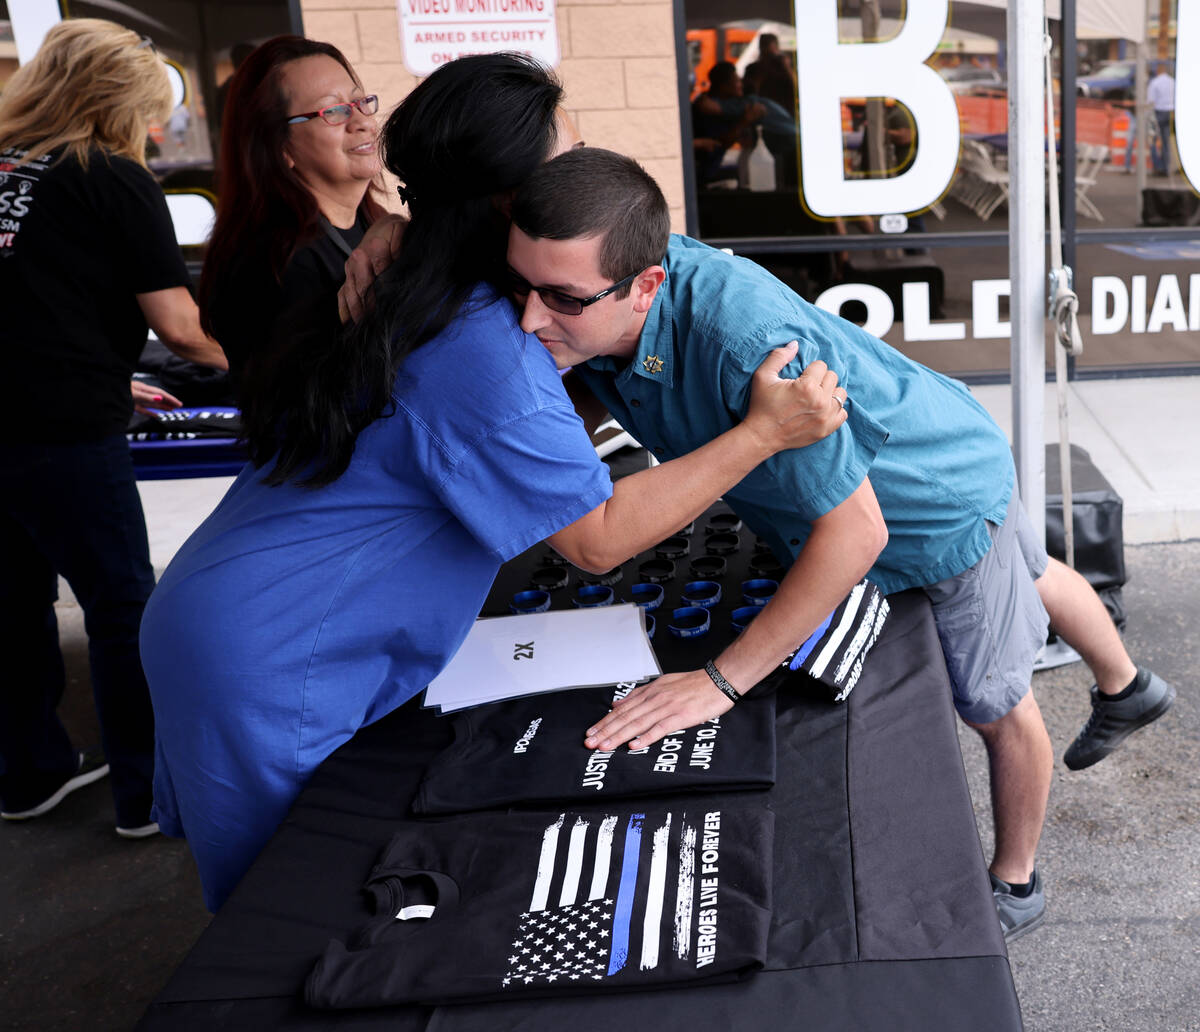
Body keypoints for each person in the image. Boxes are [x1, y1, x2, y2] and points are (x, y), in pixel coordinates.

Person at [139, 54, 848, 912]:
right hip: (265, 650)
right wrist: (762, 433)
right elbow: (598, 539)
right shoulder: (477, 338)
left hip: (242, 605)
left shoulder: (422, 275)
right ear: (509, 198)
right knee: (278, 917)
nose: (586, 173)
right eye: (568, 159)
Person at [504, 147, 1175, 941]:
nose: (528, 318)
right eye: (519, 285)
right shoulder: (601, 284)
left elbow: (856, 532)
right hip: (949, 451)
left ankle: (1018, 880)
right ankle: (1128, 685)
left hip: (933, 501)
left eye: (561, 299)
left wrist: (721, 682)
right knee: (1025, 569)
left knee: (994, 699)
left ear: (646, 283)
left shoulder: (745, 344)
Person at [0, 20, 227, 836]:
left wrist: (103, 367)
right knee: (123, 605)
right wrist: (286, 367)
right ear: (117, 102)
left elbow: (28, 298)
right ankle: (144, 793)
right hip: (61, 428)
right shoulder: (109, 176)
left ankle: (27, 776)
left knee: (12, 604)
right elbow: (185, 329)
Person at [198, 35, 390, 388]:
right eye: (333, 111)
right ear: (278, 146)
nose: (361, 120)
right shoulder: (273, 261)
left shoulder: (376, 225)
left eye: (359, 101)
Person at [1147, 63, 1175, 176]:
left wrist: (1149, 116)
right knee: (1165, 142)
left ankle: (1157, 166)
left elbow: (1150, 101)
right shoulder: (1173, 82)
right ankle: (1165, 167)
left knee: (1153, 140)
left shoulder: (1155, 82)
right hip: (1170, 112)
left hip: (1158, 112)